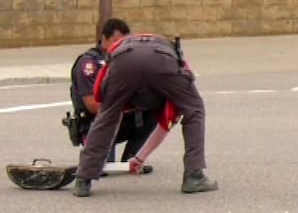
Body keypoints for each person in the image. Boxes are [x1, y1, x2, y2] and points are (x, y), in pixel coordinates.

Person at [72, 18, 218, 197]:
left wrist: (110, 108)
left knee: (107, 115)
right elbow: (165, 125)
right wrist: (141, 157)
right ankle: (194, 176)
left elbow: (101, 102)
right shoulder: (170, 86)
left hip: (122, 59)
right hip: (163, 59)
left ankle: (83, 179)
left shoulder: (114, 61)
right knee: (194, 109)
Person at [67, 23, 157, 174]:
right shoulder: (89, 64)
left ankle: (133, 158)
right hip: (96, 123)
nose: (121, 46)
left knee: (154, 111)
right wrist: (124, 107)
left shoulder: (125, 60)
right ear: (104, 39)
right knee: (103, 168)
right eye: (117, 41)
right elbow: (92, 105)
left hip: (121, 118)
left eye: (125, 42)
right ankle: (94, 158)